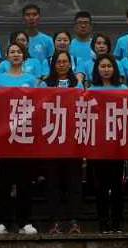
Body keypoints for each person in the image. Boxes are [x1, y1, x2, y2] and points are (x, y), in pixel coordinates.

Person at [0, 43, 40, 235]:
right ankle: (2, 221)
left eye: (19, 52)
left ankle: (24, 222)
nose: (16, 55)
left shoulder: (31, 79)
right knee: (3, 182)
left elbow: (37, 105)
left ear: (24, 55)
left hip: (25, 136)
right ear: (6, 56)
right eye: (12, 52)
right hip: (4, 136)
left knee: (24, 182)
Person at [40, 51, 83, 234]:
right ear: (54, 64)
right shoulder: (45, 84)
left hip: (73, 141)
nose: (62, 64)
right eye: (59, 62)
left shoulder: (77, 84)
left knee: (74, 183)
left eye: (65, 61)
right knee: (53, 182)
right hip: (52, 140)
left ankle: (74, 220)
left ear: (70, 64)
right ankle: (54, 221)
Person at [87, 55, 128, 232]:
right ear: (97, 69)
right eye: (102, 66)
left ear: (114, 68)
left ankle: (117, 222)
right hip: (98, 145)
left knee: (117, 185)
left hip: (118, 144)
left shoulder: (124, 89)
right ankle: (103, 222)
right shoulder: (90, 90)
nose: (106, 69)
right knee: (100, 186)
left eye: (109, 66)